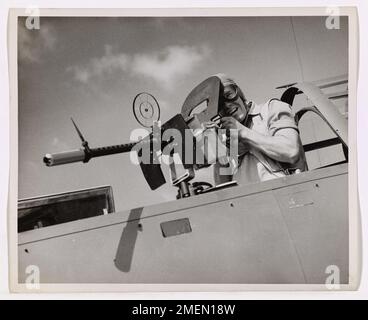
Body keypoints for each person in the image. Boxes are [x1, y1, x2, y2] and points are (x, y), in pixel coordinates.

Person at [213, 73, 307, 185]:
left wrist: (243, 132)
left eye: (229, 95)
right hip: (248, 200)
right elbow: (223, 186)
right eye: (219, 105)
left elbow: (291, 151)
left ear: (239, 93)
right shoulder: (227, 135)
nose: (227, 105)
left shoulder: (271, 109)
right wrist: (219, 152)